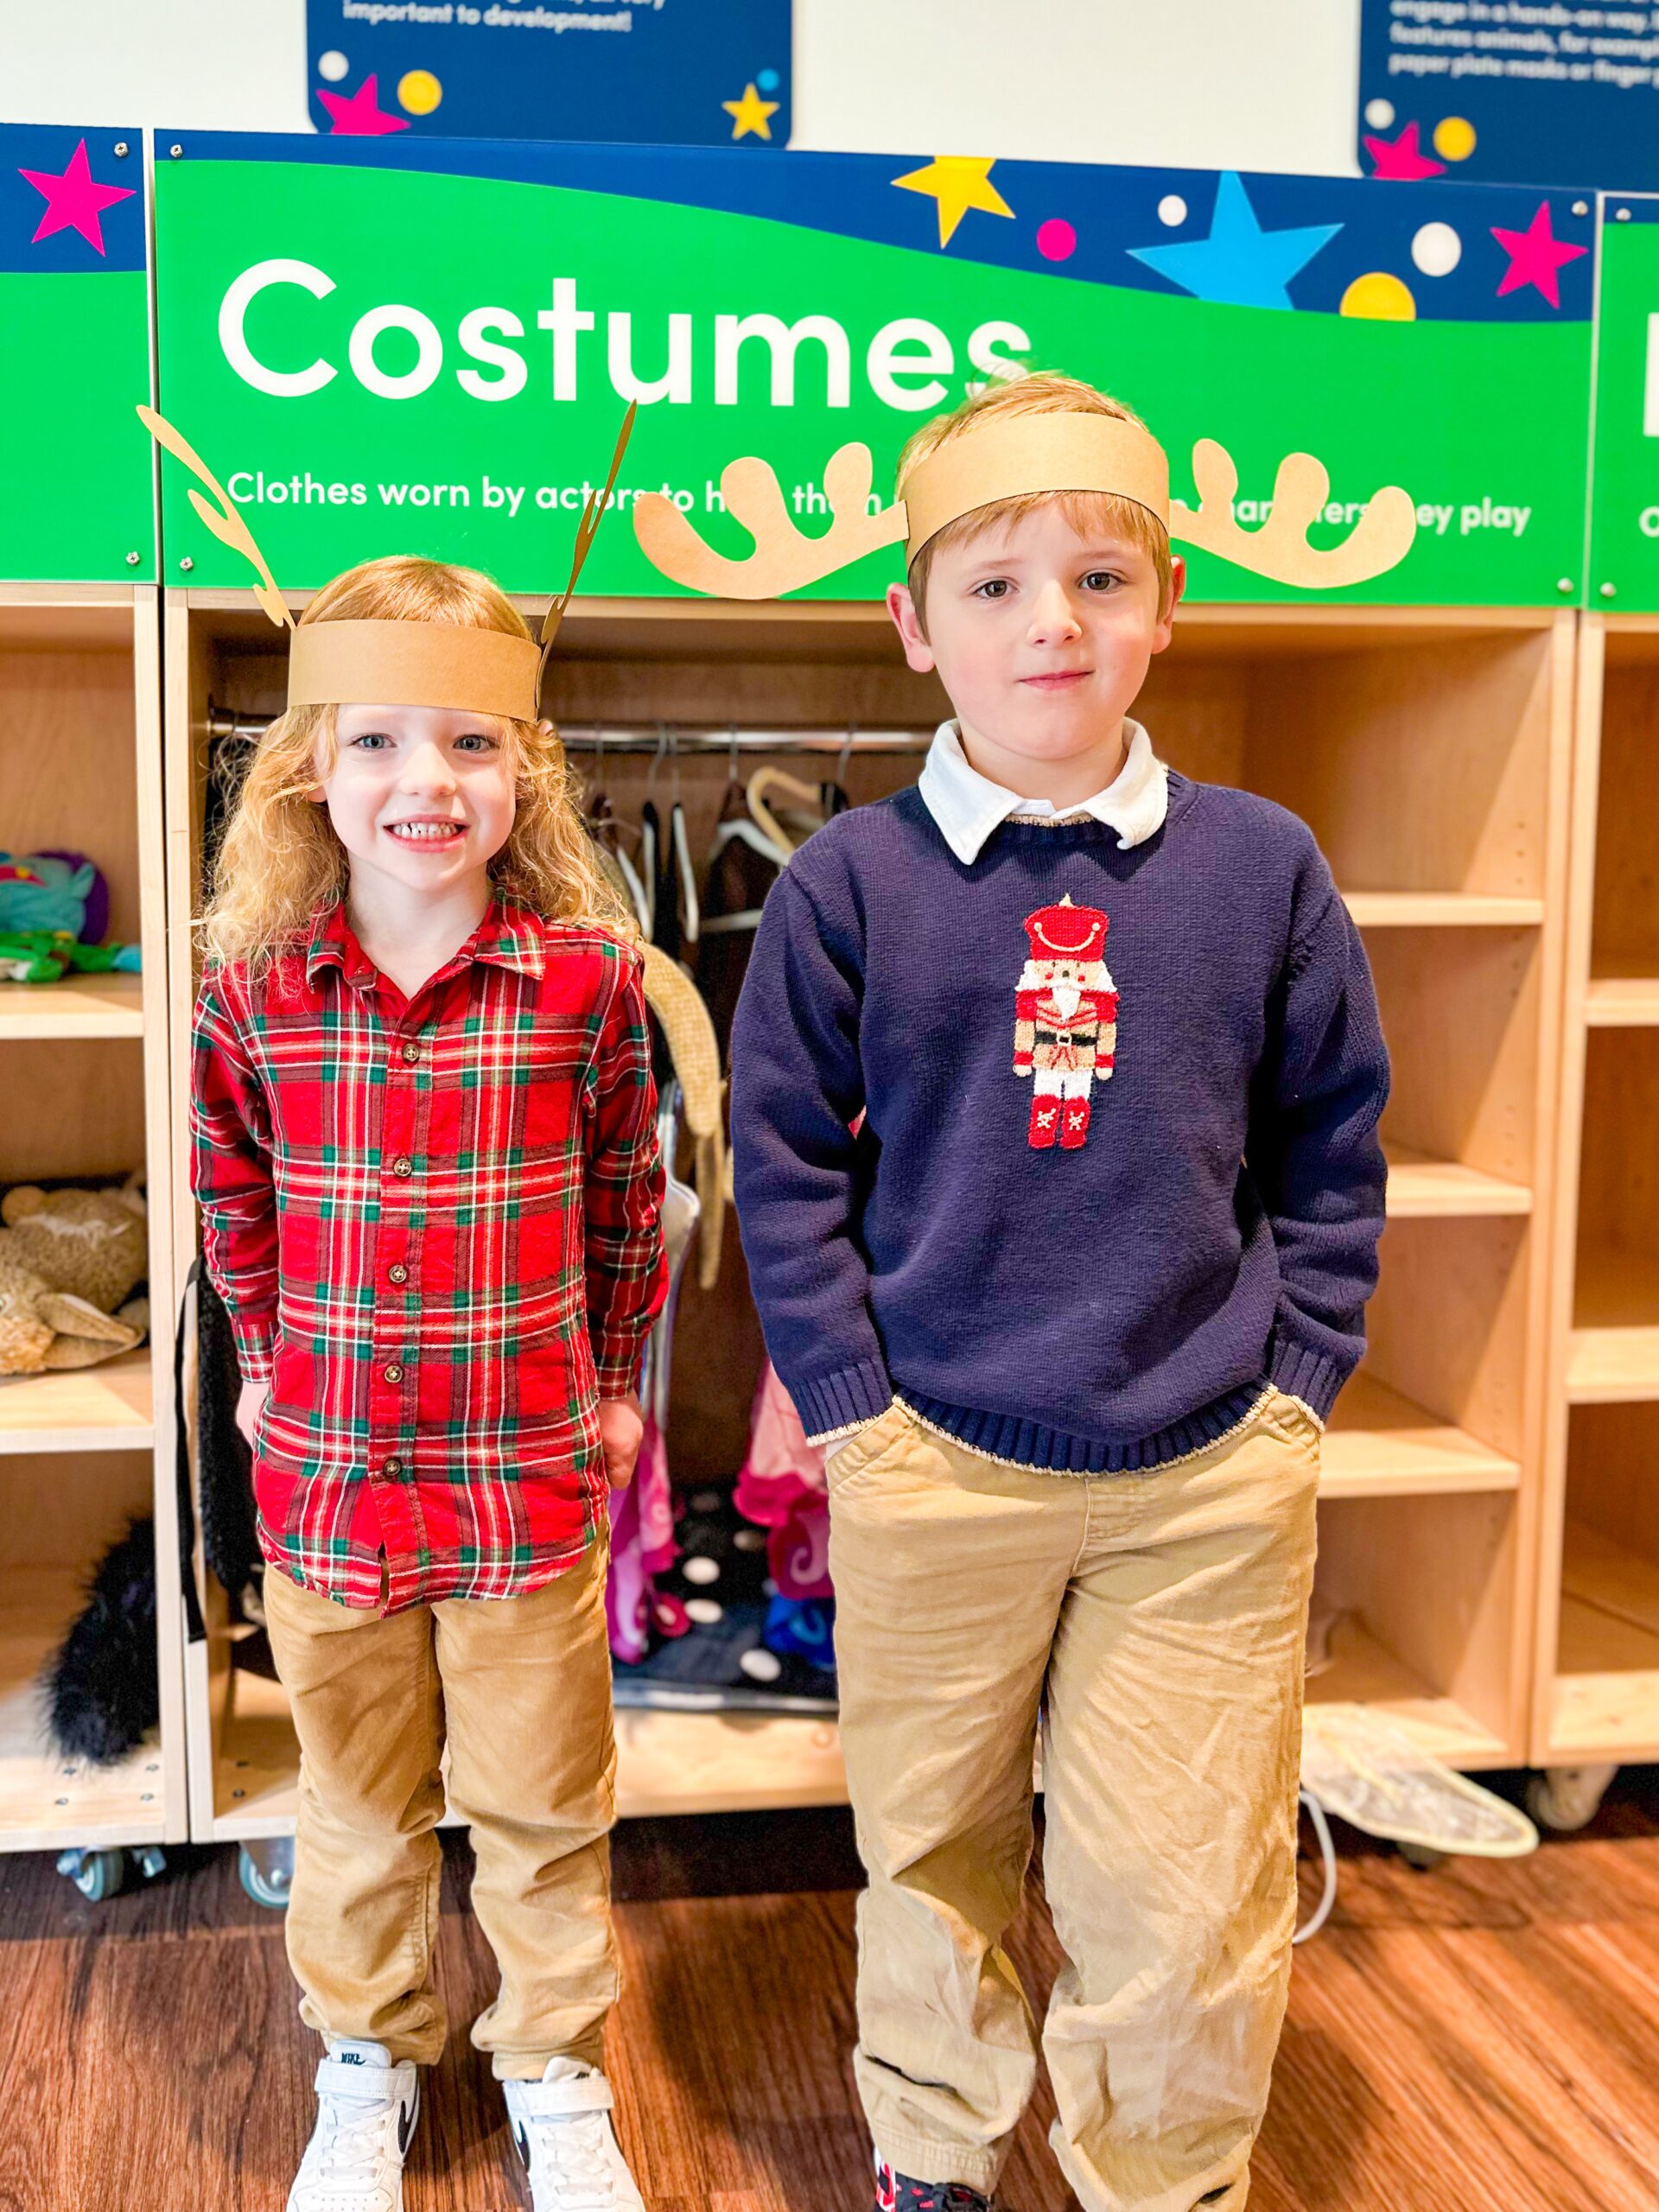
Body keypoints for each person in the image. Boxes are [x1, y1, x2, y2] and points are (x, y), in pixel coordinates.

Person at [729, 372, 1390, 2212]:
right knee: (929, 1843)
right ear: (915, 626)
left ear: (1166, 608)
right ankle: (935, 2151)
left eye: (1103, 578)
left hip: (1206, 1474)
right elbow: (782, 1159)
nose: (1056, 624)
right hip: (935, 1458)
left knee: (1184, 1878)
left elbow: (1337, 1134)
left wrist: (1299, 1383)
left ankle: (1164, 2175)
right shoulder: (849, 882)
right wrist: (851, 1405)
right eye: (1002, 585)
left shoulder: (1261, 867)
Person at [191, 554, 667, 2212]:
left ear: (521, 774)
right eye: (383, 743)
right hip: (325, 1488)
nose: (426, 784)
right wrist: (258, 1358)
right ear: (316, 765)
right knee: (358, 1806)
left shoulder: (588, 988)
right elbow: (227, 1188)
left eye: (470, 746)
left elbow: (626, 1192)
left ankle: (552, 2067)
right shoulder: (253, 991)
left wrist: (614, 1378)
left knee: (542, 1806)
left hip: (524, 1479)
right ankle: (367, 2058)